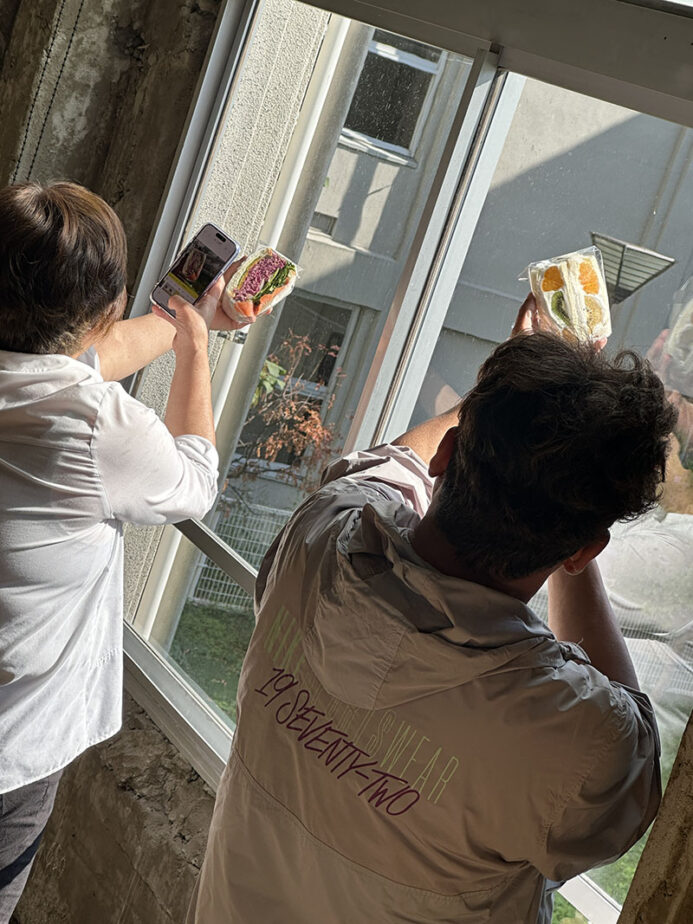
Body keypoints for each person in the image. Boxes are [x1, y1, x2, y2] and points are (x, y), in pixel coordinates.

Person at [186, 296, 676, 924]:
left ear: (448, 454)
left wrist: (501, 388)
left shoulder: (319, 542)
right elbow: (633, 751)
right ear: (583, 553)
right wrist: (568, 524)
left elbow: (386, 466)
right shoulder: (574, 734)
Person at [0, 181, 250, 921]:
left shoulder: (55, 387)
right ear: (104, 307)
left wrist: (186, 318)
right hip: (10, 750)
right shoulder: (94, 425)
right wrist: (196, 349)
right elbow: (194, 479)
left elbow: (83, 358)